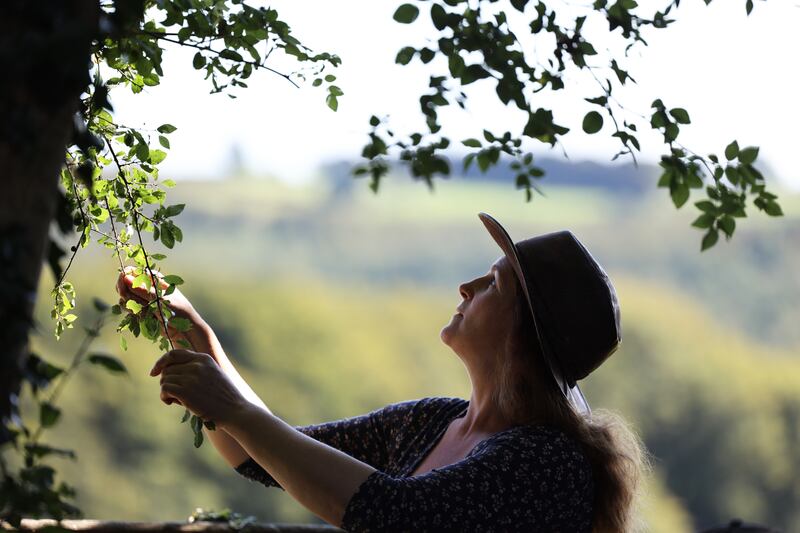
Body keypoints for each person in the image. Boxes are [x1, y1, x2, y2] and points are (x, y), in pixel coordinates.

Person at [117, 212, 647, 532]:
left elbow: (394, 516)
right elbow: (261, 455)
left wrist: (232, 408)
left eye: (493, 284)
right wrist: (197, 336)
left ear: (525, 332)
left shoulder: (547, 462)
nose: (467, 288)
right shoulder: (428, 421)